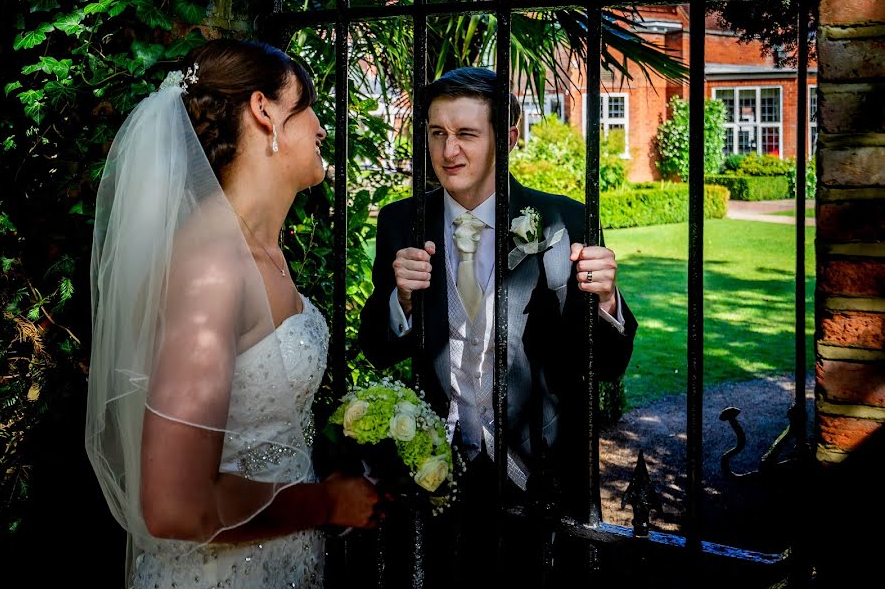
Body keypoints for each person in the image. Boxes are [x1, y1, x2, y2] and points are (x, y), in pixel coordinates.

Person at [86, 39, 381, 588]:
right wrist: (322, 504)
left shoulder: (265, 250)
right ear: (264, 110)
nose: (320, 128)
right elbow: (174, 506)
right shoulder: (212, 269)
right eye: (307, 105)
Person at [358, 67, 638, 585]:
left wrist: (607, 300)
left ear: (507, 138)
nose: (448, 152)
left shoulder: (563, 223)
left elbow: (607, 366)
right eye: (437, 133)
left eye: (466, 134)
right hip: (436, 471)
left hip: (540, 472)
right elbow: (376, 347)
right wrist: (400, 299)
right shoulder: (401, 222)